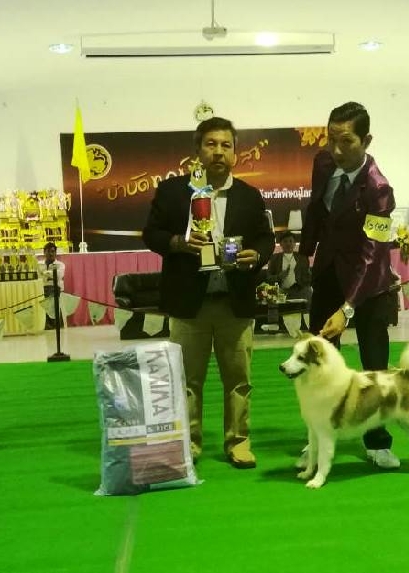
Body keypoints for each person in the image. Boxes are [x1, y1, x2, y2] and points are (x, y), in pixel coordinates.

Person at [143, 116, 275, 469]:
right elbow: (151, 234)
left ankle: (239, 442)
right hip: (189, 305)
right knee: (187, 382)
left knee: (239, 381)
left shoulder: (249, 196)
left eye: (226, 145)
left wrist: (257, 255)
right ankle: (190, 444)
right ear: (198, 151)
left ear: (235, 153)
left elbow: (266, 238)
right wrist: (177, 242)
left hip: (235, 303)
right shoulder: (173, 191)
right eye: (211, 144)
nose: (218, 151)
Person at [298, 101, 400, 469]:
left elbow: (373, 255)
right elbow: (316, 209)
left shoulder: (379, 190)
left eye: (347, 141)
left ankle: (378, 441)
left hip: (368, 286)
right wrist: (304, 253)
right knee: (318, 362)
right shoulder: (323, 163)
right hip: (328, 273)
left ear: (366, 141)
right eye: (331, 139)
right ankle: (320, 435)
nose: (337, 150)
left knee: (374, 369)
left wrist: (348, 308)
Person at [266, 230, 312, 303]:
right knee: (270, 294)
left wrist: (302, 282)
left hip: (300, 290)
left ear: (295, 243)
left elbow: (308, 277)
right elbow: (268, 278)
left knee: (308, 290)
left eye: (291, 241)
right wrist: (279, 277)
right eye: (285, 241)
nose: (288, 244)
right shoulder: (274, 258)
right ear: (280, 244)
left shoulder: (302, 258)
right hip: (281, 291)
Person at [40, 241, 65, 330]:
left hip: (55, 289)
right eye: (48, 251)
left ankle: (53, 324)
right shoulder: (39, 264)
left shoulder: (60, 264)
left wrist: (44, 273)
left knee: (50, 291)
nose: (51, 254)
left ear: (55, 253)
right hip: (42, 289)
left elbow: (59, 275)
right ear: (44, 252)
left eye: (53, 251)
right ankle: (45, 324)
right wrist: (50, 275)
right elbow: (38, 276)